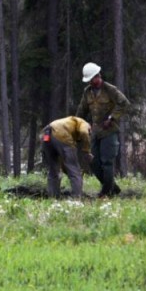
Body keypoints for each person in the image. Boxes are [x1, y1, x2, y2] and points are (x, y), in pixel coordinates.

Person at [76, 62, 131, 197]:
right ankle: (113, 188)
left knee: (107, 162)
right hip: (95, 132)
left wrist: (112, 118)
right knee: (93, 163)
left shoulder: (110, 89)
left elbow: (124, 103)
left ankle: (106, 192)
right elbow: (82, 110)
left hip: (109, 131)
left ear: (97, 76)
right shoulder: (87, 92)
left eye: (91, 79)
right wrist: (76, 123)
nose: (90, 82)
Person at [41, 116, 92, 198]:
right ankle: (77, 197)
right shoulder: (84, 124)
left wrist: (66, 170)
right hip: (61, 134)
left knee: (53, 170)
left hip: (46, 134)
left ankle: (53, 197)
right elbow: (84, 132)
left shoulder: (69, 122)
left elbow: (63, 161)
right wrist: (86, 151)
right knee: (75, 170)